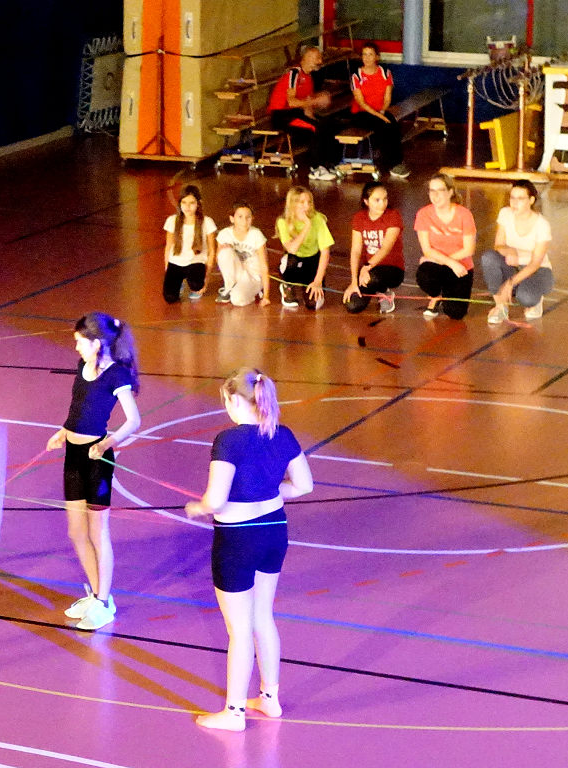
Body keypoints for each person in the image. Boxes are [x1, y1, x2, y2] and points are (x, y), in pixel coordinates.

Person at [186, 369, 313, 732]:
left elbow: (215, 500)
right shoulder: (281, 433)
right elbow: (304, 485)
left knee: (239, 629)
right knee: (263, 617)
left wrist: (199, 507)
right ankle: (269, 698)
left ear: (234, 400)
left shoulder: (228, 440)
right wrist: (266, 493)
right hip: (274, 532)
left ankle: (234, 712)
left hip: (238, 539)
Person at [46, 312, 141, 630]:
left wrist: (106, 443)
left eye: (80, 342)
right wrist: (63, 431)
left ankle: (103, 602)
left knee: (98, 533)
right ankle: (98, 595)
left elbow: (134, 420)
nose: (76, 347)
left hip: (97, 460)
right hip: (73, 455)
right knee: (76, 532)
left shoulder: (116, 375)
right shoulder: (81, 367)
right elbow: (79, 408)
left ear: (97, 343)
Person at [481, 180, 554, 323]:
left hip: (537, 271)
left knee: (526, 297)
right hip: (513, 266)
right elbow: (498, 245)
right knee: (489, 258)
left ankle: (536, 299)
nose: (514, 203)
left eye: (520, 198)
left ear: (531, 200)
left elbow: (535, 263)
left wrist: (510, 283)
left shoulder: (542, 225)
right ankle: (500, 307)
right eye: (512, 198)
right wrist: (510, 250)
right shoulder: (505, 214)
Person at [267, 45, 338, 181]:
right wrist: (316, 101)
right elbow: (291, 102)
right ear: (307, 58)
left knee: (327, 125)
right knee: (314, 129)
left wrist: (314, 116)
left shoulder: (309, 78)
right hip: (282, 115)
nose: (320, 61)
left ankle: (330, 163)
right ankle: (316, 169)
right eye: (317, 58)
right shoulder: (294, 74)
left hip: (296, 113)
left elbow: (307, 106)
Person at [414, 173, 477, 320]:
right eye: (432, 191)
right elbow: (427, 250)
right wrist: (449, 262)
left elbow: (469, 249)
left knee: (455, 313)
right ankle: (435, 296)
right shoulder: (423, 214)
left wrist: (446, 262)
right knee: (425, 275)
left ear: (450, 192)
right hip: (440, 265)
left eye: (440, 190)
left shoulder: (464, 214)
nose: (435, 195)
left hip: (461, 267)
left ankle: (447, 294)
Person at [342, 181, 404, 314]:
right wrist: (354, 282)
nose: (382, 203)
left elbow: (386, 248)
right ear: (366, 201)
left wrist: (367, 266)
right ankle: (373, 288)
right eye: (377, 200)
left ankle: (385, 292)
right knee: (352, 305)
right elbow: (356, 251)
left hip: (391, 269)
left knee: (373, 278)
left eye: (385, 199)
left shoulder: (393, 216)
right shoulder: (359, 218)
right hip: (368, 270)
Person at [350, 42, 409, 178]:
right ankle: (391, 164)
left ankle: (398, 162)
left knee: (393, 125)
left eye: (370, 54)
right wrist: (380, 116)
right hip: (361, 114)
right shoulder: (356, 76)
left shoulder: (385, 73)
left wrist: (382, 111)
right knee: (382, 126)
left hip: (379, 111)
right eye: (364, 54)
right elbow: (361, 103)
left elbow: (387, 98)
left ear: (377, 57)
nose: (367, 58)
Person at [275, 186, 334, 310]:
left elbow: (325, 252)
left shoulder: (318, 219)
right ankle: (287, 285)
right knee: (290, 263)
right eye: (302, 202)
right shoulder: (283, 222)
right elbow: (292, 249)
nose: (307, 206)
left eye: (309, 202)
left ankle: (307, 283)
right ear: (292, 204)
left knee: (313, 305)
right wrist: (307, 225)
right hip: (295, 258)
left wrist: (318, 281)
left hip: (313, 259)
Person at [163, 185, 217, 303]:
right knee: (170, 297)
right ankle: (180, 282)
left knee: (196, 284)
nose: (187, 207)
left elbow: (212, 250)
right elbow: (168, 247)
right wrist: (168, 269)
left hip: (195, 262)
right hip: (176, 262)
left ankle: (193, 282)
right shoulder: (172, 221)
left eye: (192, 203)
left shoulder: (207, 222)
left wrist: (206, 278)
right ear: (180, 203)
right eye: (184, 202)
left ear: (198, 204)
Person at [215, 201, 270, 307]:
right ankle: (229, 287)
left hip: (253, 276)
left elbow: (264, 266)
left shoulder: (257, 235)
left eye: (248, 217)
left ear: (252, 218)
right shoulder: (224, 234)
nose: (244, 221)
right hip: (238, 273)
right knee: (225, 251)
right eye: (240, 217)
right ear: (232, 218)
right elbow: (219, 260)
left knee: (237, 300)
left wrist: (266, 296)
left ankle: (251, 292)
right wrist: (224, 250)